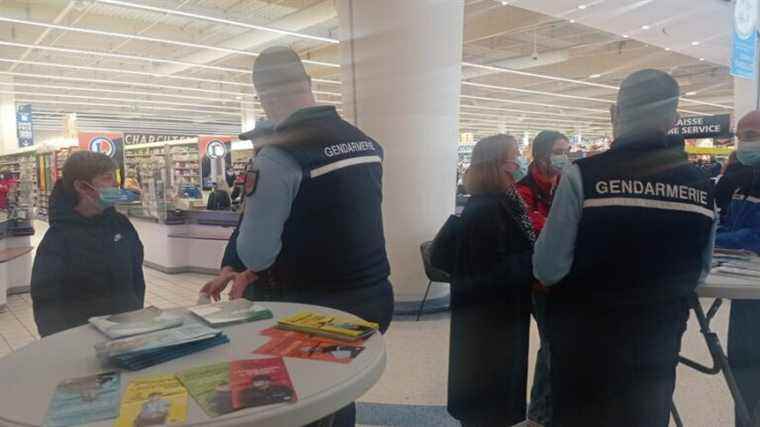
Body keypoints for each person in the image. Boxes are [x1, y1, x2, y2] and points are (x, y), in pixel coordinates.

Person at [202, 46, 394, 427]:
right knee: (339, 391)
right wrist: (233, 263)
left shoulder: (278, 156)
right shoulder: (365, 143)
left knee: (306, 407)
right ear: (307, 83)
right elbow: (331, 220)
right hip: (371, 298)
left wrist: (247, 266)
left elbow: (257, 253)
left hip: (311, 311)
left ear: (264, 94)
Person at [533, 69, 716, 426]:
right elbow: (700, 271)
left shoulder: (583, 175)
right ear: (674, 120)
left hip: (585, 342)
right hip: (658, 342)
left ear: (614, 112)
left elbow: (548, 267)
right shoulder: (701, 186)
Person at [446, 134, 533, 427]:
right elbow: (492, 269)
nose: (518, 160)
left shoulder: (499, 202)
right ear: (498, 164)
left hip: (495, 319)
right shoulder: (487, 209)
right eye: (513, 155)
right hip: (489, 322)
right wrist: (535, 264)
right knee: (489, 394)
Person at [31, 151, 145, 337]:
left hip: (127, 329)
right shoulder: (58, 238)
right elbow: (46, 301)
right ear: (82, 187)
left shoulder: (121, 225)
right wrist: (59, 341)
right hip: (80, 336)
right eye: (107, 178)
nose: (116, 184)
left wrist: (135, 312)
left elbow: (136, 277)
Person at [515, 130, 569, 427]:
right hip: (539, 280)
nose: (564, 156)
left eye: (567, 149)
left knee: (555, 344)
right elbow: (535, 228)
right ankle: (539, 414)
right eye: (559, 150)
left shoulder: (566, 184)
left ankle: (550, 409)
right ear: (541, 154)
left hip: (565, 277)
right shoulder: (524, 189)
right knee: (551, 344)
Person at [715, 111, 760, 427]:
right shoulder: (745, 178)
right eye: (742, 136)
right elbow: (733, 223)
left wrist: (713, 236)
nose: (745, 143)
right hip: (746, 294)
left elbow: (755, 236)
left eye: (752, 135)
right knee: (742, 371)